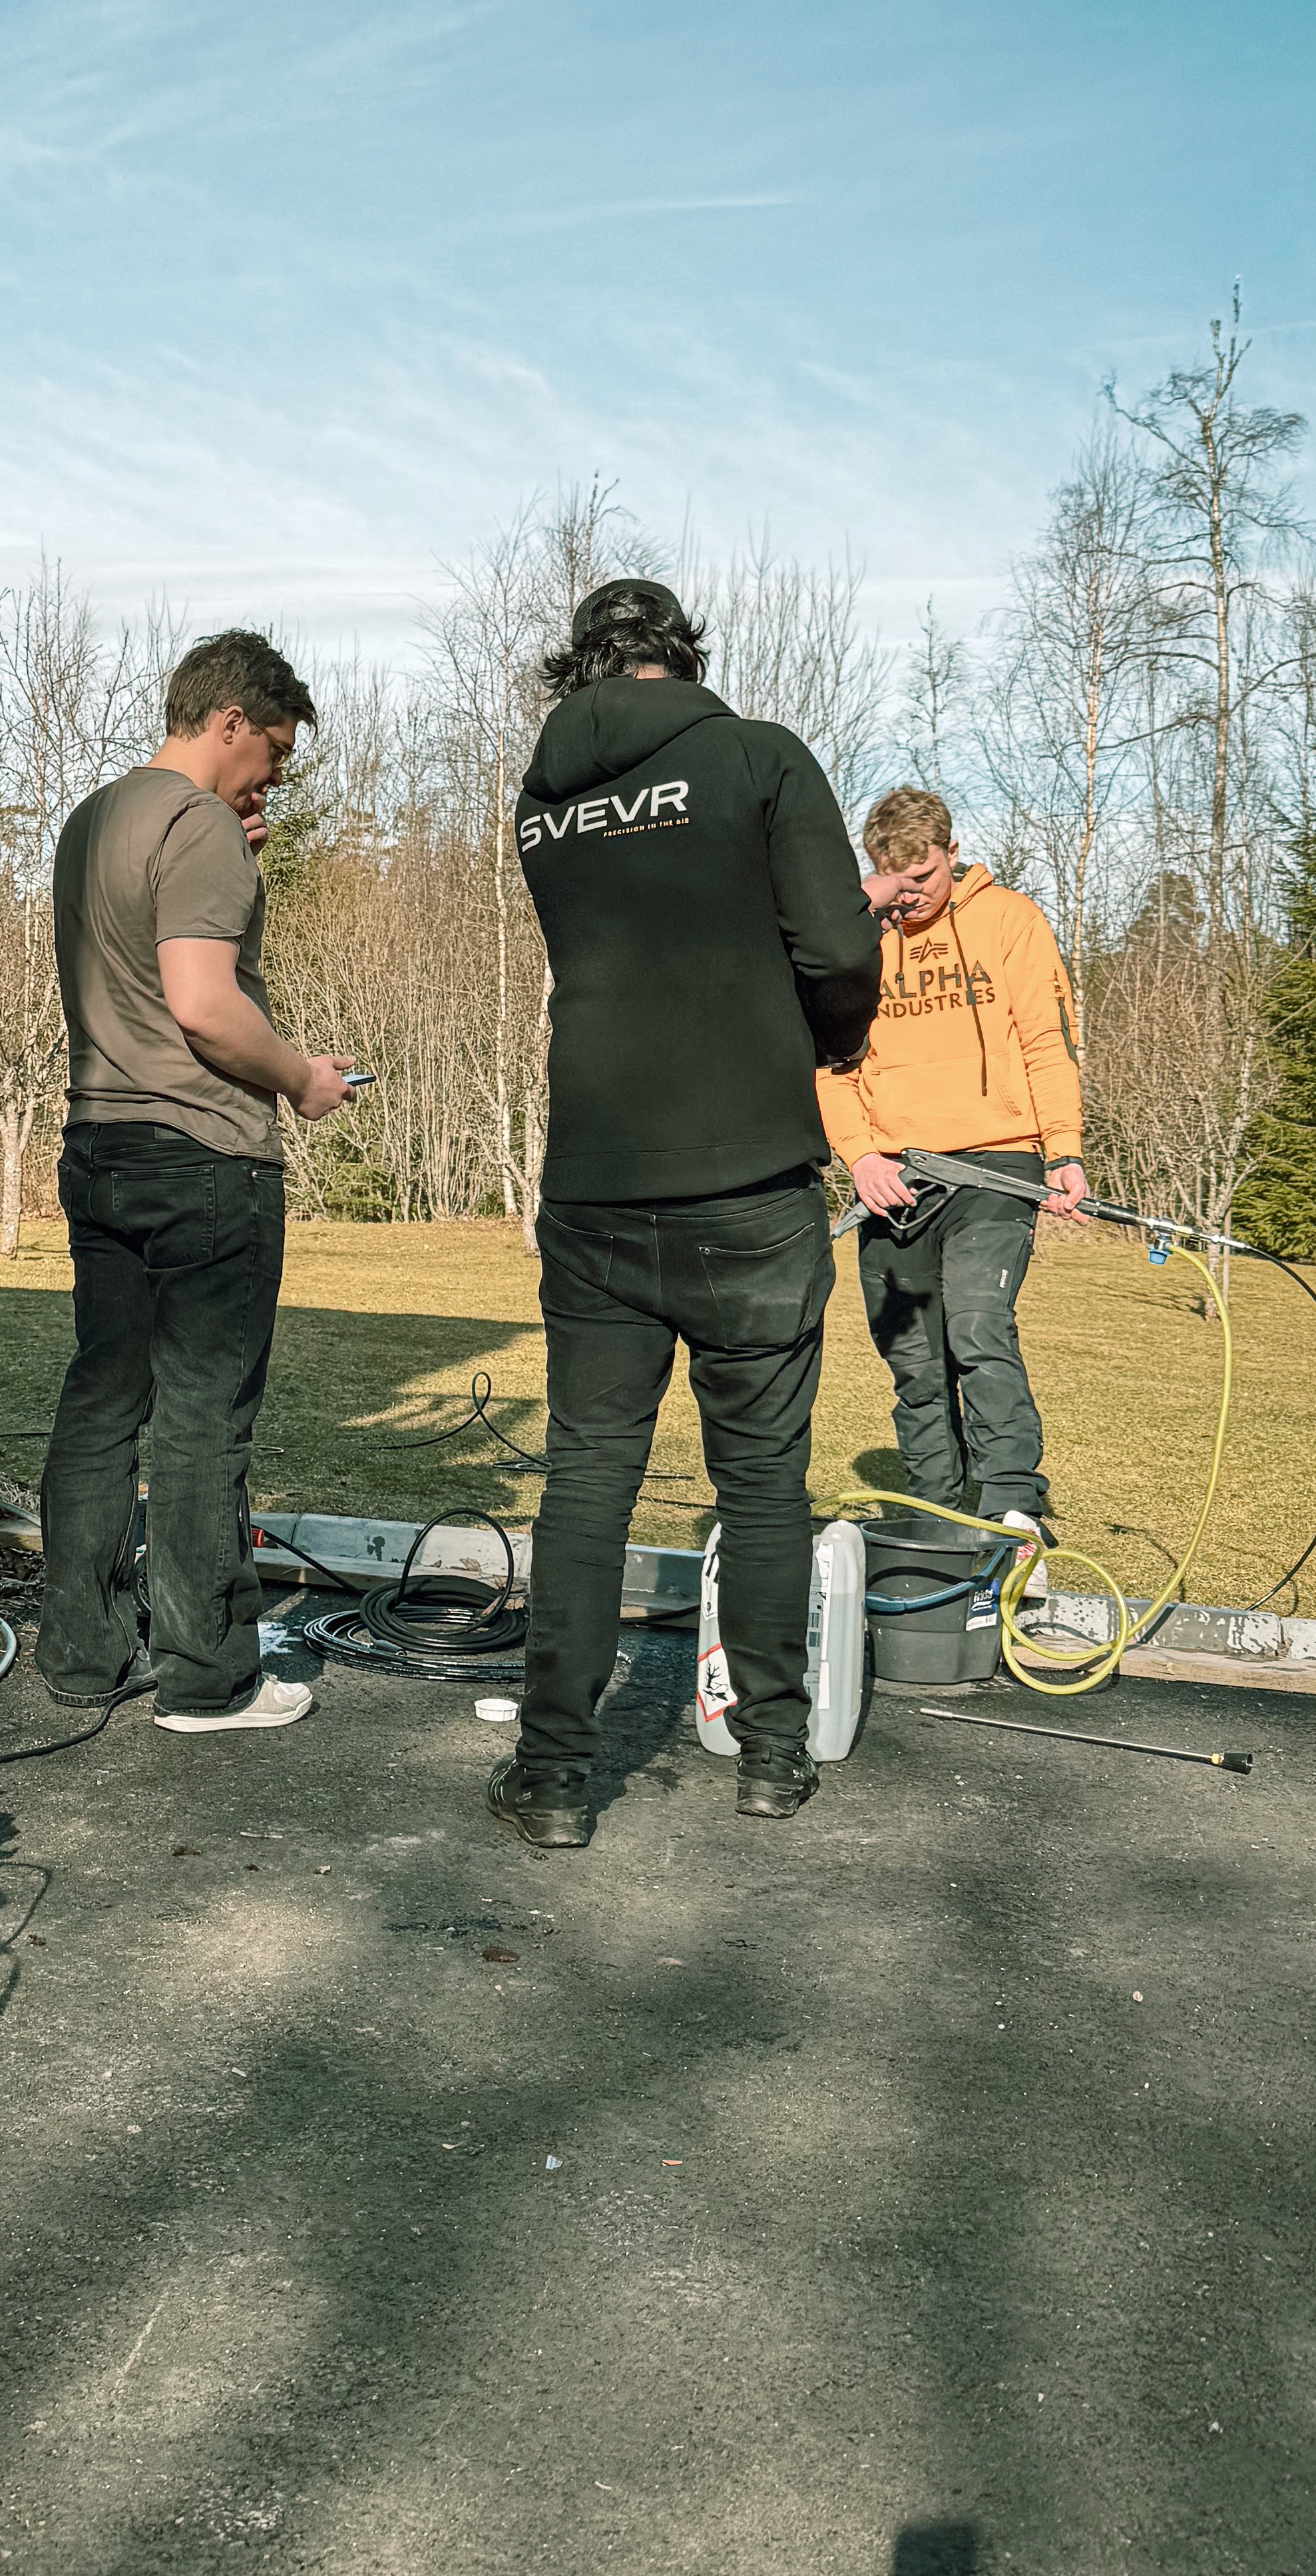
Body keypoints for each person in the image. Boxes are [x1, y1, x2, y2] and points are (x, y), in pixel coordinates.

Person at [503, 578, 883, 1840]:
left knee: (588, 1477)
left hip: (597, 1180)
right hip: (746, 1183)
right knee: (764, 1481)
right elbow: (835, 948)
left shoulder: (541, 801)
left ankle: (554, 1772)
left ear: (582, 667)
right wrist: (825, 1045)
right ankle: (771, 1753)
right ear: (683, 654)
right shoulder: (760, 760)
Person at [36, 629, 355, 1736]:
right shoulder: (202, 826)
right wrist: (301, 1078)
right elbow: (203, 1005)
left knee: (101, 1399)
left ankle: (82, 1654)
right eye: (269, 750)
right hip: (205, 1154)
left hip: (97, 1144)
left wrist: (234, 851)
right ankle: (209, 1679)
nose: (271, 775)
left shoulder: (94, 818)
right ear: (228, 720)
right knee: (200, 1421)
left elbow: (131, 961)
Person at [816, 786, 1088, 1557]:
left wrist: (1063, 1150)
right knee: (911, 1352)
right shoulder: (853, 939)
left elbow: (1045, 1039)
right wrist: (860, 1156)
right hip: (895, 1176)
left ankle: (1010, 1510)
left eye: (923, 875)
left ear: (949, 851)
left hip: (997, 1164)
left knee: (976, 1323)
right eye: (891, 878)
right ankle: (933, 1521)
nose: (909, 894)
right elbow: (829, 1063)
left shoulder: (1010, 921)